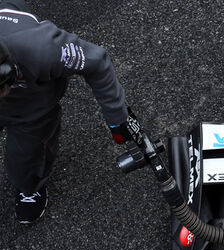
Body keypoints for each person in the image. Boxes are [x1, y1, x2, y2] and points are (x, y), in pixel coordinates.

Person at [0, 1, 137, 224]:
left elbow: (97, 62)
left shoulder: (43, 48)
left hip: (32, 111)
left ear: (7, 73)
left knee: (25, 164)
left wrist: (117, 118)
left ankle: (29, 186)